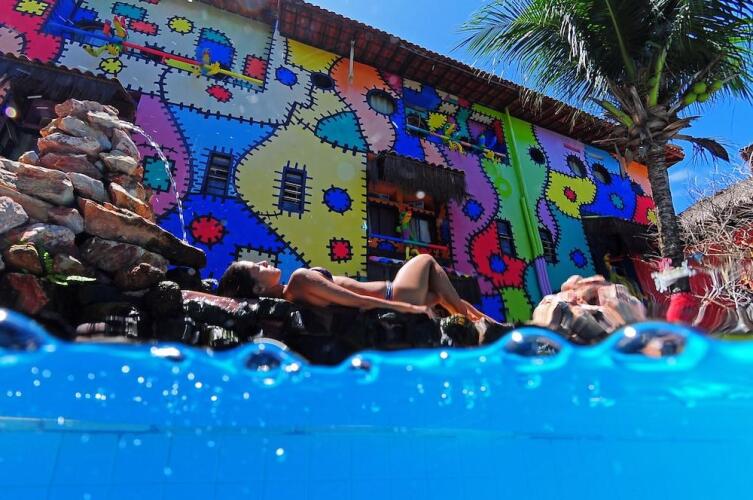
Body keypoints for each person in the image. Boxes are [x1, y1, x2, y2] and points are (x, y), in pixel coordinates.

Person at [218, 253, 493, 321]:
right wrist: (404, 307)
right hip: (396, 295)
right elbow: (353, 299)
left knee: (444, 295)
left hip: (400, 295)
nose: (264, 262)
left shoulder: (293, 293)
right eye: (257, 267)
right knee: (426, 260)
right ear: (257, 289)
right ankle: (477, 324)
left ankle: (487, 324)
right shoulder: (299, 280)